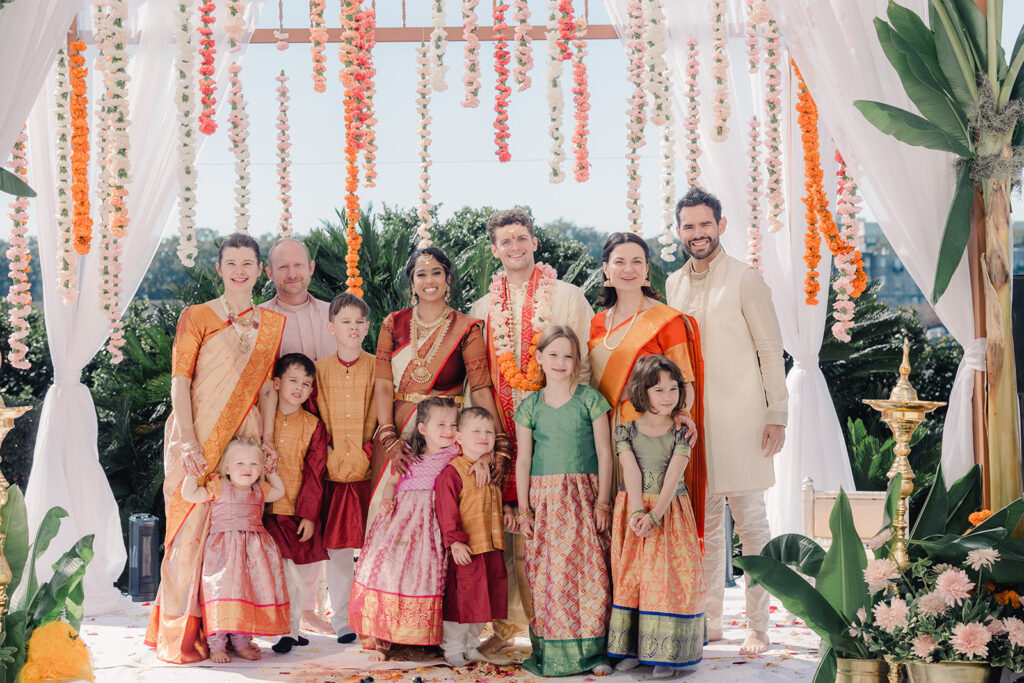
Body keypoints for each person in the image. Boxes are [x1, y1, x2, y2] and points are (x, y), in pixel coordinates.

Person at [145, 233, 285, 664]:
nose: (240, 270)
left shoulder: (272, 324)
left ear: (260, 270)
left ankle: (233, 630)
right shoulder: (197, 316)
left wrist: (268, 441)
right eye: (232, 263)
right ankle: (184, 634)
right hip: (198, 438)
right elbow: (180, 380)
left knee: (236, 533)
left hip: (244, 441)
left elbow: (265, 389)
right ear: (220, 268)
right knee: (187, 536)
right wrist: (188, 442)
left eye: (248, 263)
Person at [666, 186, 787, 656]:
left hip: (742, 421)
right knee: (707, 528)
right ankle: (711, 621)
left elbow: (770, 348)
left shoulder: (744, 278)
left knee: (753, 525)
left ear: (721, 225)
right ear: (679, 232)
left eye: (704, 224)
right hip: (692, 427)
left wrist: (776, 413)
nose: (697, 233)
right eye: (689, 226)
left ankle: (759, 625)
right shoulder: (674, 284)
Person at [468, 209, 594, 653]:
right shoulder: (482, 308)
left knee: (557, 536)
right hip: (504, 438)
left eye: (521, 238)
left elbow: (584, 368)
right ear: (495, 249)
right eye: (505, 241)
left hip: (557, 441)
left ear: (534, 242)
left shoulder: (568, 296)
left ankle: (561, 627)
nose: (514, 247)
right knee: (505, 537)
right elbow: (477, 378)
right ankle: (504, 630)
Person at [588, 231, 707, 545]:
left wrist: (681, 415)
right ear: (606, 269)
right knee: (608, 526)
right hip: (601, 434)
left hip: (648, 437)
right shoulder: (598, 323)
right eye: (620, 262)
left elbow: (685, 385)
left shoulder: (666, 321)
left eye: (637, 261)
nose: (628, 269)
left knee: (645, 525)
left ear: (646, 268)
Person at [373, 247, 509, 508]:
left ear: (448, 280)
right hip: (398, 432)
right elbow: (382, 384)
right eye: (421, 274)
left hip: (446, 436)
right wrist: (389, 436)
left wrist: (499, 440)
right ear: (412, 284)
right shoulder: (393, 323)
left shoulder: (467, 328)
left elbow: (480, 388)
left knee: (442, 510)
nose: (429, 280)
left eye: (437, 272)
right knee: (389, 509)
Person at [514, 326, 614, 677]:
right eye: (553, 354)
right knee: (548, 577)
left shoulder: (590, 399)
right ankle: (554, 653)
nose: (560, 361)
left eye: (568, 355)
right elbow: (523, 460)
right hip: (544, 502)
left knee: (592, 574)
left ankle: (593, 654)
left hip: (584, 497)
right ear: (539, 358)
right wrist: (523, 509)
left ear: (577, 362)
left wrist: (603, 503)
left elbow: (605, 452)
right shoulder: (530, 407)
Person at [607, 355, 706, 677]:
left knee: (668, 579)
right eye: (659, 390)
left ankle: (666, 654)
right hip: (633, 508)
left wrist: (655, 516)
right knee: (632, 578)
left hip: (670, 510)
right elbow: (631, 471)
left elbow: (675, 475)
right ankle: (635, 650)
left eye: (673, 389)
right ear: (642, 392)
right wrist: (638, 512)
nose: (668, 397)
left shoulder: (682, 432)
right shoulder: (626, 430)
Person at [260, 237, 337, 638]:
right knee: (276, 519)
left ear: (311, 266)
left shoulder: (332, 314)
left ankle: (310, 608)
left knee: (316, 515)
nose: (292, 274)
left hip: (326, 432)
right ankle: (276, 607)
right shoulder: (259, 319)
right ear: (269, 273)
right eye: (282, 267)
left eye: (298, 266)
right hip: (276, 433)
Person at [348, 397, 461, 655]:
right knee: (390, 571)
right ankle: (385, 634)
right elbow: (392, 481)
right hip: (400, 519)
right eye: (441, 424)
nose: (448, 430)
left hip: (431, 521)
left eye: (453, 424)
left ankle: (417, 638)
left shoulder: (455, 452)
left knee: (423, 575)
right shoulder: (408, 452)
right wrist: (387, 499)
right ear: (422, 428)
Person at [180, 437, 290, 663]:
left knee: (245, 594)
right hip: (224, 551)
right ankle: (217, 644)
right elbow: (190, 495)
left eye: (254, 464)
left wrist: (272, 471)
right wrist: (192, 474)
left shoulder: (260, 489)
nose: (247, 469)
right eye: (240, 464)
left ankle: (240, 642)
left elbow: (279, 491)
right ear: (227, 468)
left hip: (253, 553)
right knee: (221, 593)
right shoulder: (219, 485)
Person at [313, 292, 377, 645]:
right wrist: (333, 453)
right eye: (344, 322)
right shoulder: (320, 370)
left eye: (358, 322)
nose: (352, 328)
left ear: (367, 327)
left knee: (373, 546)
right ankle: (341, 619)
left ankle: (372, 613)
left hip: (370, 470)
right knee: (337, 551)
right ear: (331, 327)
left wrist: (367, 451)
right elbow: (317, 419)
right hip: (333, 472)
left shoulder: (376, 366)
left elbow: (377, 411)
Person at [261, 353, 330, 654]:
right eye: (293, 380)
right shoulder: (260, 418)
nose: (300, 388)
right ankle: (282, 630)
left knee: (292, 575)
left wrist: (309, 515)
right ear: (276, 382)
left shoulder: (313, 426)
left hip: (291, 511)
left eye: (307, 384)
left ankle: (289, 629)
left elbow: (315, 474)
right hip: (259, 511)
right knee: (276, 574)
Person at [434, 407, 509, 667]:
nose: (483, 436)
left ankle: (471, 644)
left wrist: (508, 510)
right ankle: (453, 647)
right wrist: (454, 541)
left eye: (489, 431)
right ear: (459, 437)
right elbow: (446, 509)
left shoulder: (492, 469)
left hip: (491, 545)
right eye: (475, 431)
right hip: (467, 548)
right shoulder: (452, 472)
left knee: (482, 600)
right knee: (461, 602)